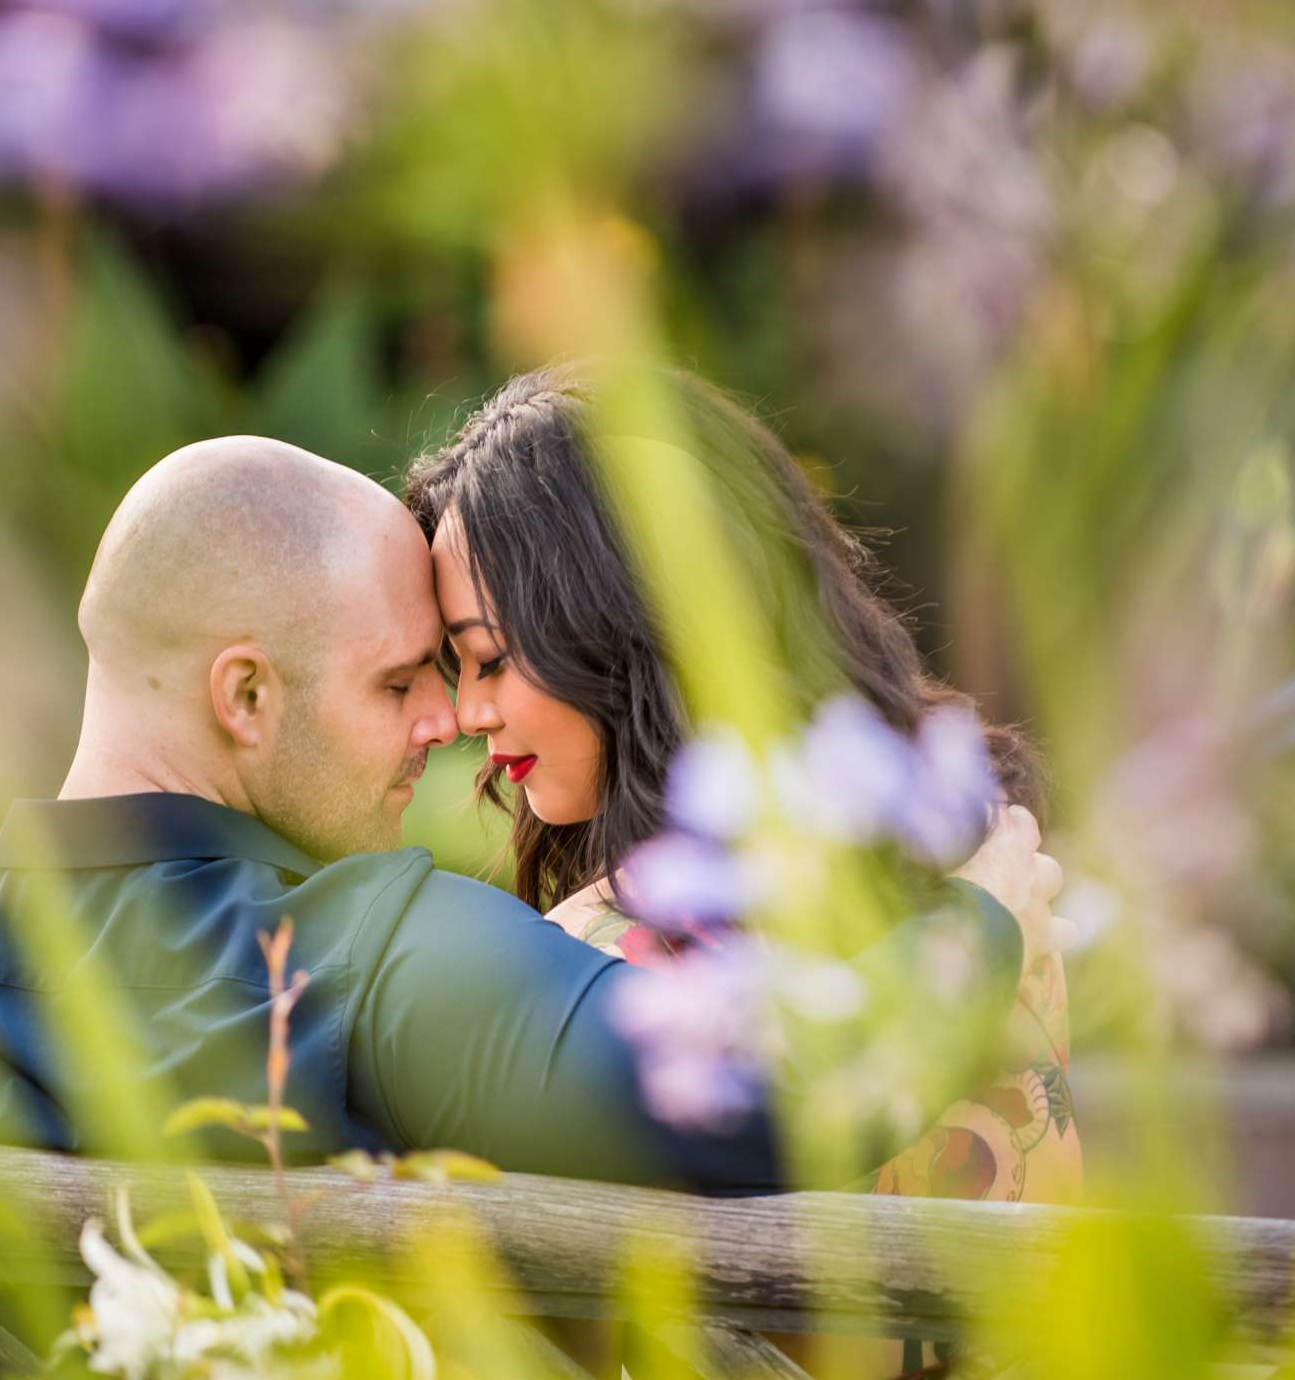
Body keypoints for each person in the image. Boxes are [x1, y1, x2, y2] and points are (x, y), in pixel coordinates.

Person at [0, 435, 1058, 1195]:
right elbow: (752, 1099)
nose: (444, 725)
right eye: (401, 679)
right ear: (247, 694)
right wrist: (979, 926)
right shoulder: (367, 955)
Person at [403, 365, 1079, 1210]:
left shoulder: (595, 961)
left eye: (491, 659)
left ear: (623, 624)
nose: (468, 712)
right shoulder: (986, 860)